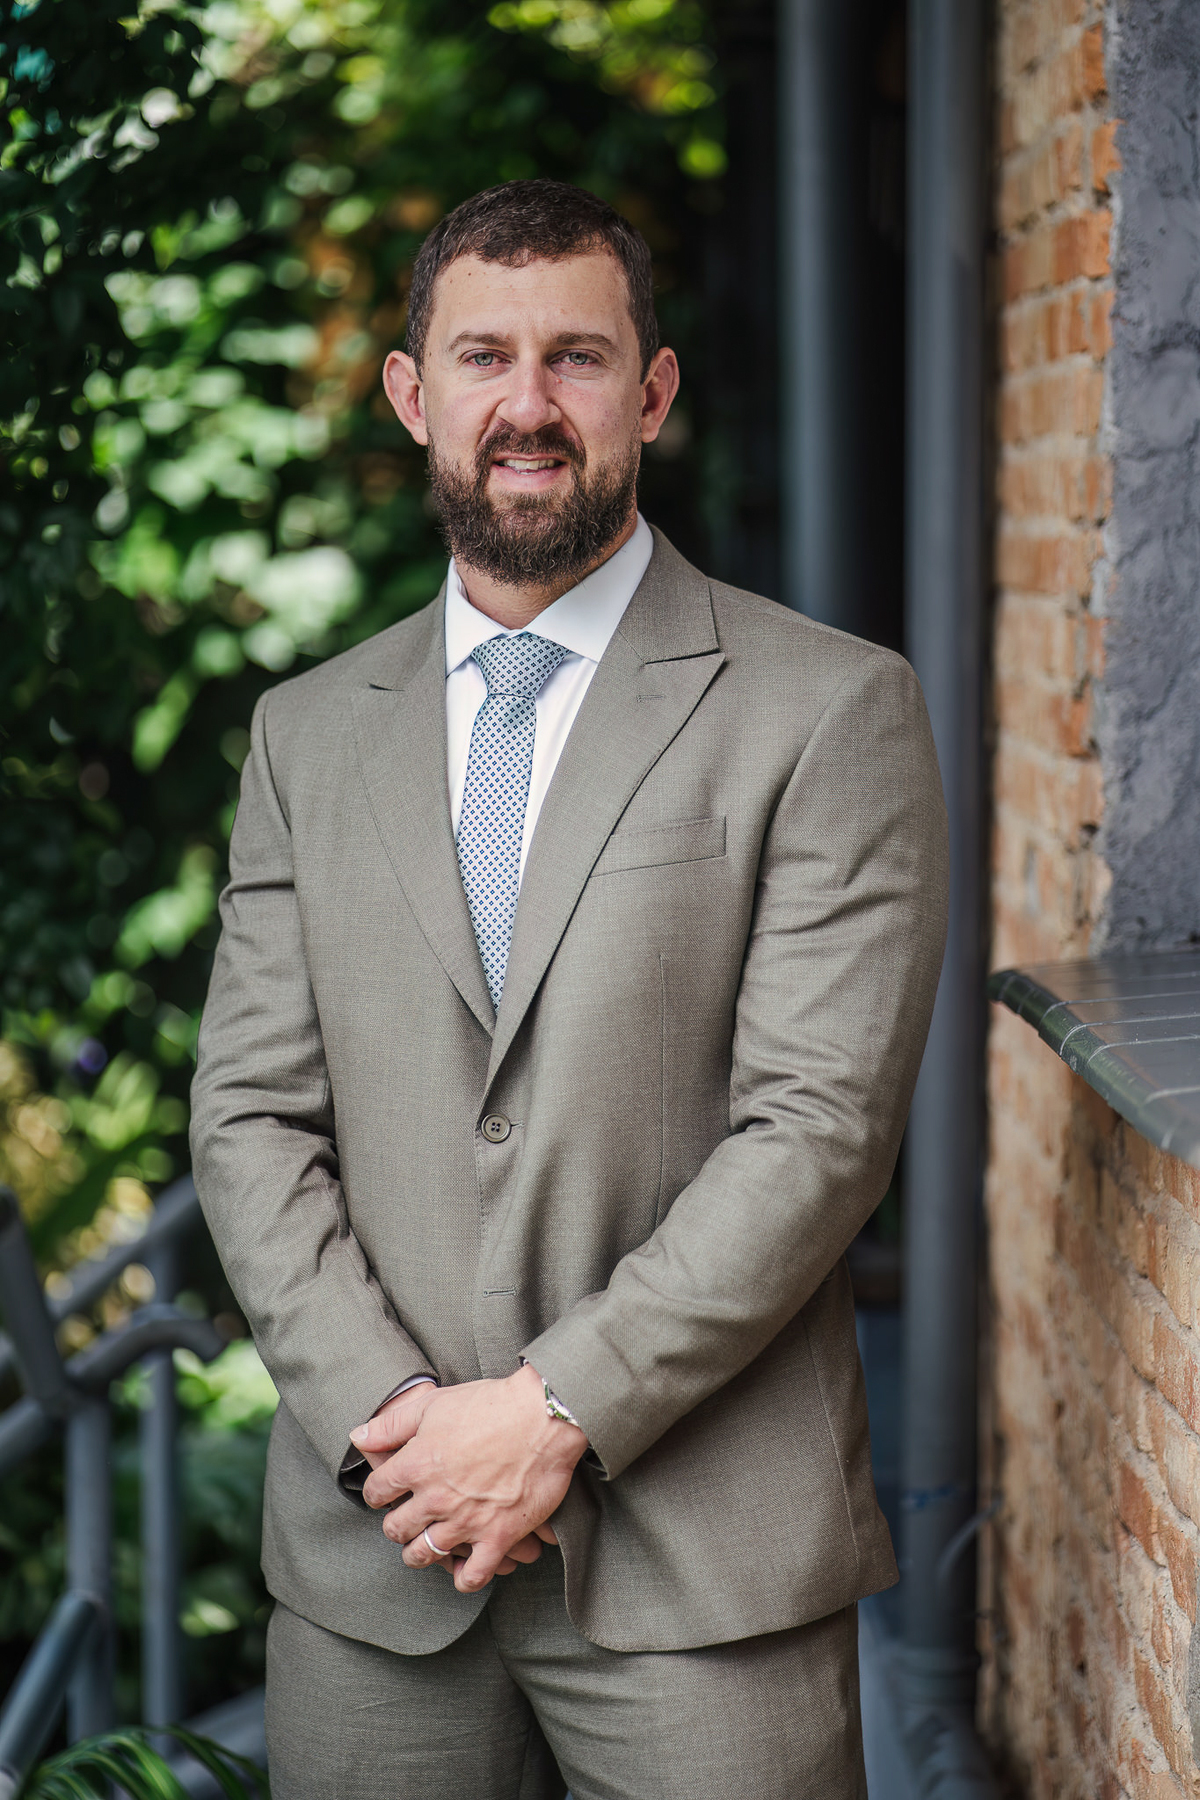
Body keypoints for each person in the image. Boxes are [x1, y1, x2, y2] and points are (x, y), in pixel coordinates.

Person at [190, 177, 948, 1799]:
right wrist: (399, 1420)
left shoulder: (829, 709)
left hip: (705, 1573)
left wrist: (551, 1413)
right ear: (413, 396)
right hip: (379, 1564)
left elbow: (819, 1131)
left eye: (577, 358)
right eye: (484, 357)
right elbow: (250, 1119)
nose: (526, 406)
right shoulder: (304, 738)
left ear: (652, 393)